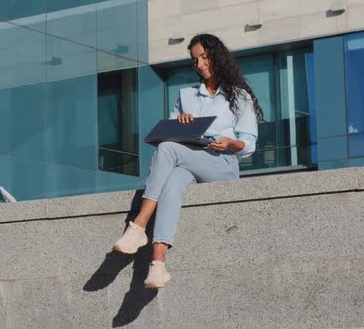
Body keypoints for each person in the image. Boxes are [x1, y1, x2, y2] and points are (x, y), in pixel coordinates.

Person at [112, 33, 264, 289]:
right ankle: (158, 265)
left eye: (205, 57)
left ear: (217, 57)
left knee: (169, 150)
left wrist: (229, 142)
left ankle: (138, 225)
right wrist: (180, 125)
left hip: (223, 163)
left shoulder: (239, 96)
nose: (200, 64)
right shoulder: (186, 96)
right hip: (190, 159)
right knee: (172, 179)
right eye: (195, 60)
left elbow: (248, 144)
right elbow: (170, 138)